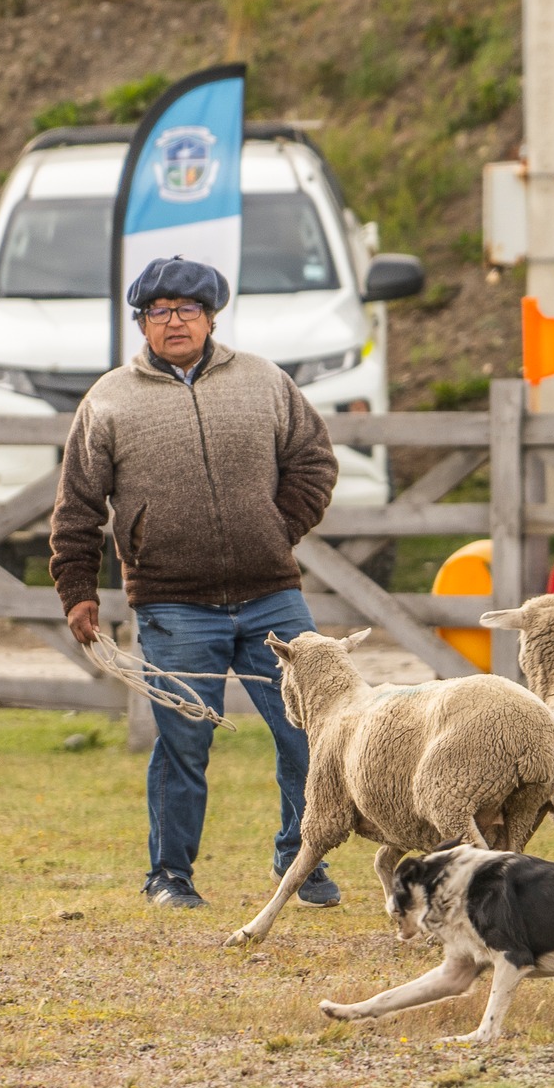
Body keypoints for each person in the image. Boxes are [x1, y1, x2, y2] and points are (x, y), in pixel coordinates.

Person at [50, 256, 342, 911]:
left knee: (313, 732)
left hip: (272, 595)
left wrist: (274, 527)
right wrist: (78, 590)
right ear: (142, 323)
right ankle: (170, 875)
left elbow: (315, 462)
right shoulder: (109, 400)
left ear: (212, 316)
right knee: (183, 744)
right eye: (159, 311)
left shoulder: (264, 382)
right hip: (173, 605)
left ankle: (302, 858)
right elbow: (77, 505)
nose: (174, 320)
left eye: (187, 309)